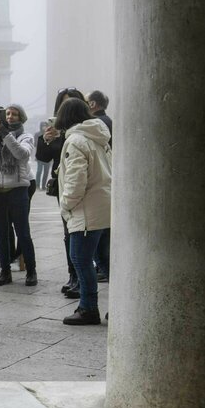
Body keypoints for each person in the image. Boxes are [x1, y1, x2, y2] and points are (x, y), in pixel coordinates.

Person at [55, 98, 112, 325]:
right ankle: (120, 305)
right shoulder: (98, 137)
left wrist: (66, 204)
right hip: (104, 205)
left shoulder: (76, 140)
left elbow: (76, 179)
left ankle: (88, 308)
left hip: (86, 210)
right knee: (104, 259)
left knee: (80, 258)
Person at [0, 104, 38, 287]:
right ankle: (5, 270)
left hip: (18, 189)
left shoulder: (25, 136)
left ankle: (31, 271)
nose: (11, 116)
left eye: (14, 114)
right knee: (1, 233)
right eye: (8, 114)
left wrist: (6, 135)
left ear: (21, 118)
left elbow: (21, 154)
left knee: (23, 233)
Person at [38, 88, 87, 295]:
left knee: (80, 233)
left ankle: (82, 278)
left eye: (71, 102)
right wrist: (48, 139)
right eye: (63, 103)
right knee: (68, 233)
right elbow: (44, 157)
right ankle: (73, 275)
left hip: (82, 185)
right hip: (63, 185)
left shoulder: (84, 130)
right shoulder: (57, 129)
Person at [86, 90, 112, 282]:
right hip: (108, 182)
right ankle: (104, 267)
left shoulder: (95, 125)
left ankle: (105, 268)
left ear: (93, 104)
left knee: (98, 233)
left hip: (99, 182)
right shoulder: (109, 121)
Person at [34, 119, 52, 190]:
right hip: (39, 156)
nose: (44, 127)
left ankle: (44, 186)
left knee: (46, 172)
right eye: (43, 126)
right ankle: (37, 185)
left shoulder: (50, 134)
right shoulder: (37, 134)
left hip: (48, 156)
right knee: (39, 171)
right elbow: (35, 144)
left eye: (45, 126)